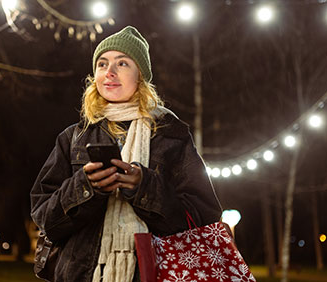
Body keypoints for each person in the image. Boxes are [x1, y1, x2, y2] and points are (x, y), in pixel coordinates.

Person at [30, 26, 222, 282]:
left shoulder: (171, 135)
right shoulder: (73, 137)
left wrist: (144, 187)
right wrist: (86, 187)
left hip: (150, 274)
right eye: (102, 64)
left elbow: (202, 217)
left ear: (140, 75)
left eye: (122, 63)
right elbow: (46, 220)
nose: (109, 72)